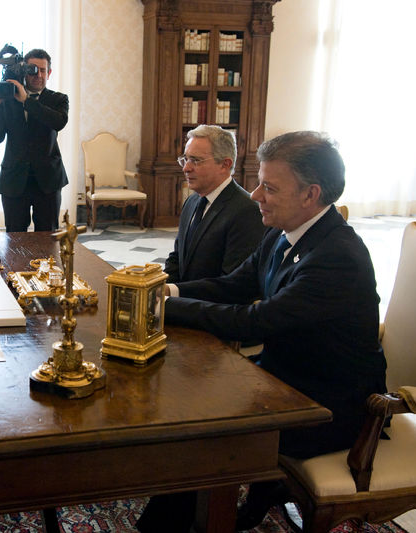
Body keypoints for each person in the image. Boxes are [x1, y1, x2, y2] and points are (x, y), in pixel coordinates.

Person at [135, 131, 387, 533]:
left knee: (200, 434)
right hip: (282, 379)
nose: (254, 196)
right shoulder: (281, 230)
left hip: (327, 406)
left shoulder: (336, 257)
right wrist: (164, 291)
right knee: (185, 405)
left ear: (311, 195)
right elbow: (233, 285)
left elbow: (254, 321)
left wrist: (161, 308)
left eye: (269, 187)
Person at [164, 125, 265, 283]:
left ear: (224, 164)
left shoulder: (247, 211)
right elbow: (178, 257)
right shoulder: (192, 201)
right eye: (186, 159)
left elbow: (232, 282)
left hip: (209, 305)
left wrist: (175, 294)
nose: (186, 168)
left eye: (196, 160)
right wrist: (161, 290)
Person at [0, 48, 69, 232]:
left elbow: (58, 122)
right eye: (33, 69)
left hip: (48, 181)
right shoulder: (8, 99)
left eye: (42, 70)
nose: (38, 75)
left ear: (49, 73)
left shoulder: (58, 99)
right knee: (15, 239)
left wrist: (26, 101)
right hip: (14, 180)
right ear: (24, 70)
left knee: (48, 238)